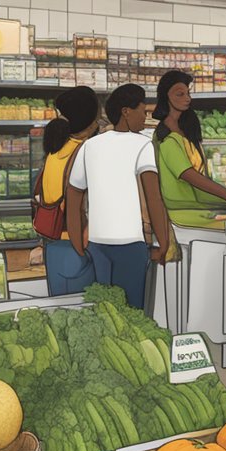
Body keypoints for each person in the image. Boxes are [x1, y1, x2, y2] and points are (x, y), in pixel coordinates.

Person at [65, 84, 170, 309]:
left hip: (96, 246)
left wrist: (77, 243)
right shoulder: (143, 145)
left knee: (104, 313)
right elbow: (154, 198)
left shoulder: (89, 146)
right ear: (126, 112)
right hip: (130, 247)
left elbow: (73, 195)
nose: (145, 116)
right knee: (132, 315)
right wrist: (163, 243)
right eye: (142, 110)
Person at [153, 70, 226, 240]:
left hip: (197, 203)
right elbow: (194, 178)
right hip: (182, 212)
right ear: (165, 97)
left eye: (188, 93)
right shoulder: (167, 139)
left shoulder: (185, 129)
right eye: (180, 94)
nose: (187, 98)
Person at [35, 86, 99, 295]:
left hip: (53, 247)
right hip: (80, 245)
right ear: (90, 120)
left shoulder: (55, 151)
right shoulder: (86, 152)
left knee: (61, 310)